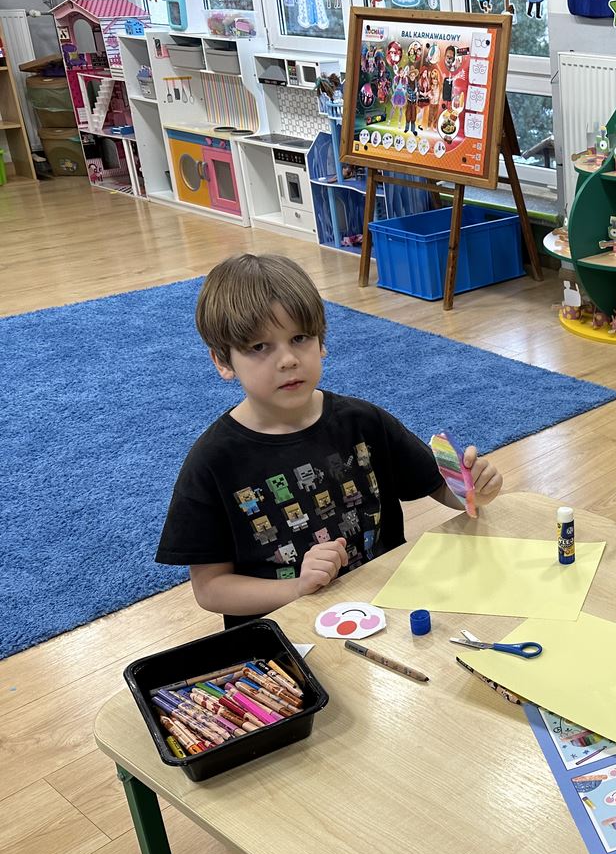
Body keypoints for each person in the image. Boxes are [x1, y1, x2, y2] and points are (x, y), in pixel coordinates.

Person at [156, 254, 502, 628]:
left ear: (321, 341)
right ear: (223, 361)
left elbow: (440, 487)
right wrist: (297, 588)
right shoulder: (212, 462)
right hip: (288, 632)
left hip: (384, 610)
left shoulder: (364, 422)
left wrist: (474, 490)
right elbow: (210, 589)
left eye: (299, 338)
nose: (288, 360)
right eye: (259, 347)